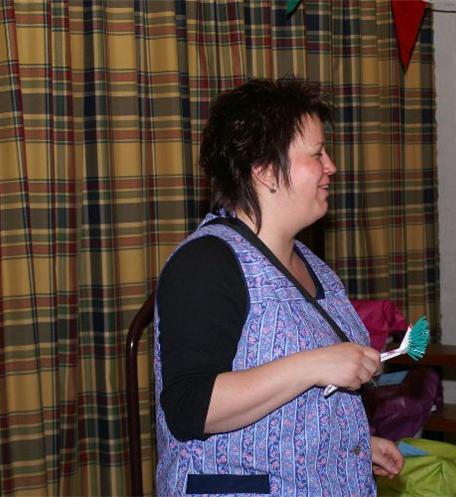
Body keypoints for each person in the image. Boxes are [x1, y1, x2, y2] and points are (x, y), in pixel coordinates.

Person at [153, 78, 404, 496]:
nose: (331, 166)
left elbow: (294, 404)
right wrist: (314, 365)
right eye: (317, 154)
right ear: (266, 171)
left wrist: (350, 448)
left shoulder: (315, 267)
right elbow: (190, 406)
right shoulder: (206, 263)